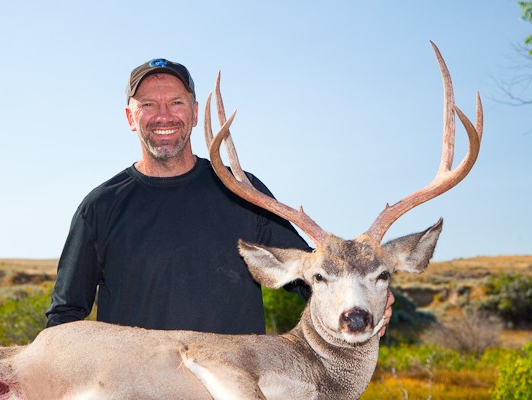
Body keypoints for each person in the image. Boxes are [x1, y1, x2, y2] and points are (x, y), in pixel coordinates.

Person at [46, 58, 394, 335]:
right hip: (134, 387)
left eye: (176, 103)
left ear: (195, 113)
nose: (163, 115)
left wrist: (360, 299)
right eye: (148, 104)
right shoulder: (100, 207)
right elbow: (65, 315)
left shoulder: (242, 191)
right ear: (130, 118)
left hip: (231, 384)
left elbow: (305, 273)